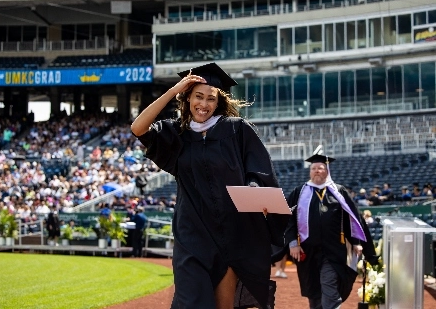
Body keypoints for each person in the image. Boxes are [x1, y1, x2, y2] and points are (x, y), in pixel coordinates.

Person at [130, 62, 288, 309]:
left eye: (210, 99)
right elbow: (138, 127)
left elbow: (258, 169)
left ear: (219, 102)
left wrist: (255, 189)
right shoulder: (177, 133)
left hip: (233, 234)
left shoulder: (236, 130)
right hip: (192, 235)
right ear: (188, 98)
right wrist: (174, 90)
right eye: (198, 96)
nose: (203, 104)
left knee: (224, 305)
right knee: (192, 302)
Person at [283, 146, 377, 309]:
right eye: (313, 168)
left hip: (333, 250)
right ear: (310, 171)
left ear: (327, 171)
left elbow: (352, 218)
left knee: (329, 287)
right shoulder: (299, 192)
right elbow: (288, 220)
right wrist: (293, 243)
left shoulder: (338, 192)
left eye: (320, 168)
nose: (317, 171)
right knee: (314, 292)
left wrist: (356, 241)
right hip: (307, 251)